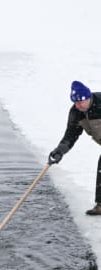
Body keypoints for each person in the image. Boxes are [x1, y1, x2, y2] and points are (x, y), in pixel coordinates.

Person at [48, 80, 101, 215]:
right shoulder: (76, 112)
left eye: (80, 102)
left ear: (88, 97)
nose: (78, 105)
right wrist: (60, 151)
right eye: (75, 102)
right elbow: (71, 135)